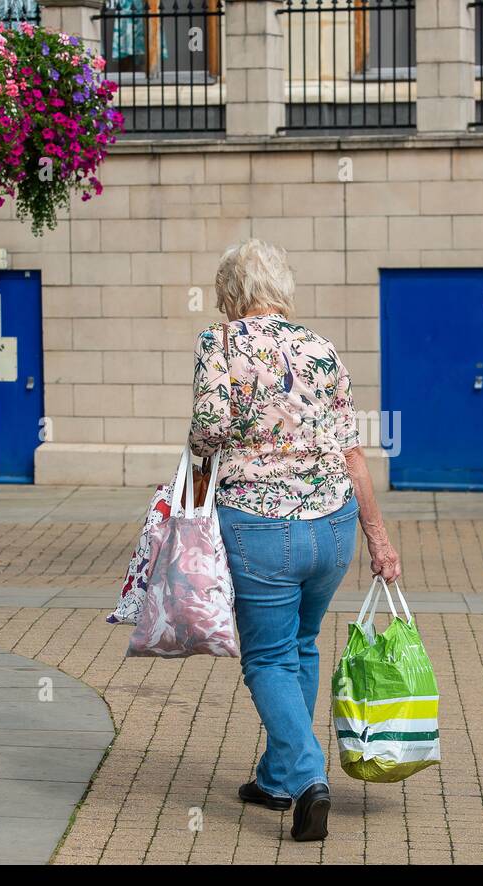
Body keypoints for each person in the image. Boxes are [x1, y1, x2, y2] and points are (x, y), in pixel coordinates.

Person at [189, 238, 402, 842]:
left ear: (231, 293)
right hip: (334, 528)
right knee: (302, 644)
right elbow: (352, 450)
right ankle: (279, 777)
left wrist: (207, 452)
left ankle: (309, 780)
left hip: (261, 527)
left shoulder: (220, 343)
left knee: (266, 657)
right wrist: (379, 540)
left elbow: (208, 432)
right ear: (281, 287)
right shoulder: (321, 349)